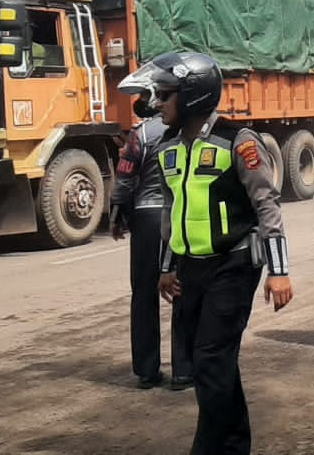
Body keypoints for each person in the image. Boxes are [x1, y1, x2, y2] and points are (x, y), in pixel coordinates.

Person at [144, 51, 294, 455]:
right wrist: (166, 267)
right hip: (190, 270)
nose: (156, 104)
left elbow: (268, 208)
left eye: (164, 95)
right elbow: (171, 214)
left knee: (210, 360)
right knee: (214, 361)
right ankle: (235, 444)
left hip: (234, 266)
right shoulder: (166, 148)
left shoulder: (238, 142)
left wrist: (279, 272)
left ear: (191, 96)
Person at [111, 71, 193, 391]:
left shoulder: (140, 135)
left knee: (143, 294)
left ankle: (147, 370)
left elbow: (125, 177)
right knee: (179, 289)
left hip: (145, 219)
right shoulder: (187, 131)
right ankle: (184, 370)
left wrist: (117, 214)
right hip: (179, 215)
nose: (147, 103)